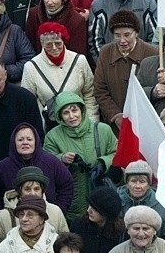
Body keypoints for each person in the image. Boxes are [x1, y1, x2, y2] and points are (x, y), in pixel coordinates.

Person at [44, 92, 117, 220]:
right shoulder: (52, 136)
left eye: (74, 110)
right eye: (66, 113)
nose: (72, 116)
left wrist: (103, 162)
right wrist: (62, 158)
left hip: (100, 196)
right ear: (60, 116)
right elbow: (45, 163)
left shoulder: (103, 130)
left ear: (82, 110)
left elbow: (117, 153)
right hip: (71, 201)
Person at [0, 123, 74, 216]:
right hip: (15, 222)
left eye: (29, 139)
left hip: (47, 218)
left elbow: (67, 184)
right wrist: (0, 213)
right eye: (20, 140)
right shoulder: (3, 167)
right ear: (14, 142)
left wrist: (59, 211)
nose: (25, 142)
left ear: (36, 141)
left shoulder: (51, 162)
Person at [20, 22, 97, 127]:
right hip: (50, 127)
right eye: (48, 45)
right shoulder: (31, 67)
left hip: (80, 123)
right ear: (42, 44)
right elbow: (29, 103)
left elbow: (90, 94)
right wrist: (41, 129)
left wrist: (91, 123)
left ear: (63, 41)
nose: (54, 48)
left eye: (58, 43)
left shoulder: (79, 61)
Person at [93, 10, 156, 132]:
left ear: (136, 33)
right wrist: (116, 115)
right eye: (117, 35)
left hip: (146, 123)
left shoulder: (152, 53)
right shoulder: (105, 52)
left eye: (127, 35)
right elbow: (100, 89)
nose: (122, 41)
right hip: (115, 125)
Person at [117, 160, 165, 253]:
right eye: (133, 181)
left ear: (149, 184)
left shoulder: (161, 204)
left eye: (142, 181)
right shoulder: (117, 201)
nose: (138, 186)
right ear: (127, 183)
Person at [0, 166, 69, 251]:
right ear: (20, 192)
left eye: (36, 189)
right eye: (27, 189)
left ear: (42, 191)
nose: (32, 193)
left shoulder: (55, 211)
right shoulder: (4, 216)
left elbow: (66, 243)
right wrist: (9, 250)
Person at [25, 0, 89, 60]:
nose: (50, 2)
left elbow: (77, 53)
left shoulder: (76, 20)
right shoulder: (33, 14)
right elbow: (29, 46)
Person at [69, 186, 124, 253]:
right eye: (89, 205)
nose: (88, 210)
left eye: (94, 209)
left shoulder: (120, 233)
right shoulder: (78, 225)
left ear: (106, 213)